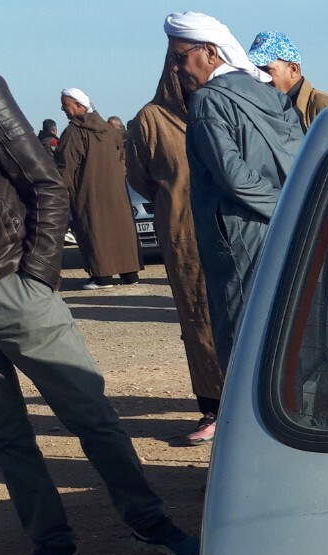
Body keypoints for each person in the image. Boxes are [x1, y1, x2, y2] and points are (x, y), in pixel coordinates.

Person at [0, 65, 199, 555]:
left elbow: (45, 182)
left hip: (11, 284)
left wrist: (36, 276)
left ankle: (147, 521)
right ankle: (54, 546)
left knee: (89, 413)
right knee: (4, 438)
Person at [166, 11, 303, 371]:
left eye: (181, 57)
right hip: (284, 230)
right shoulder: (269, 93)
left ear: (211, 52)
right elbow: (297, 158)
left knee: (243, 335)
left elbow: (233, 176)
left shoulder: (208, 101)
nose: (177, 69)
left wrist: (282, 208)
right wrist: (294, 210)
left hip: (239, 234)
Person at [128, 48, 225, 444]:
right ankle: (212, 406)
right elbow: (140, 178)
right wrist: (179, 201)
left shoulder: (225, 105)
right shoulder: (151, 119)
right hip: (186, 237)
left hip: (234, 230)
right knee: (200, 320)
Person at [56, 88, 141, 290]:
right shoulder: (110, 130)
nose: (62, 109)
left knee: (95, 231)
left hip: (88, 194)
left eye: (65, 105)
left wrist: (57, 192)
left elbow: (65, 167)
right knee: (121, 231)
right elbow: (122, 158)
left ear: (78, 105)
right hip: (117, 192)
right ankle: (130, 273)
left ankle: (102, 277)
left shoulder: (74, 132)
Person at [246, 31, 328, 132]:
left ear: (293, 69)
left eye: (266, 70)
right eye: (255, 70)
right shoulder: (256, 109)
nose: (259, 76)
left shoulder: (326, 109)